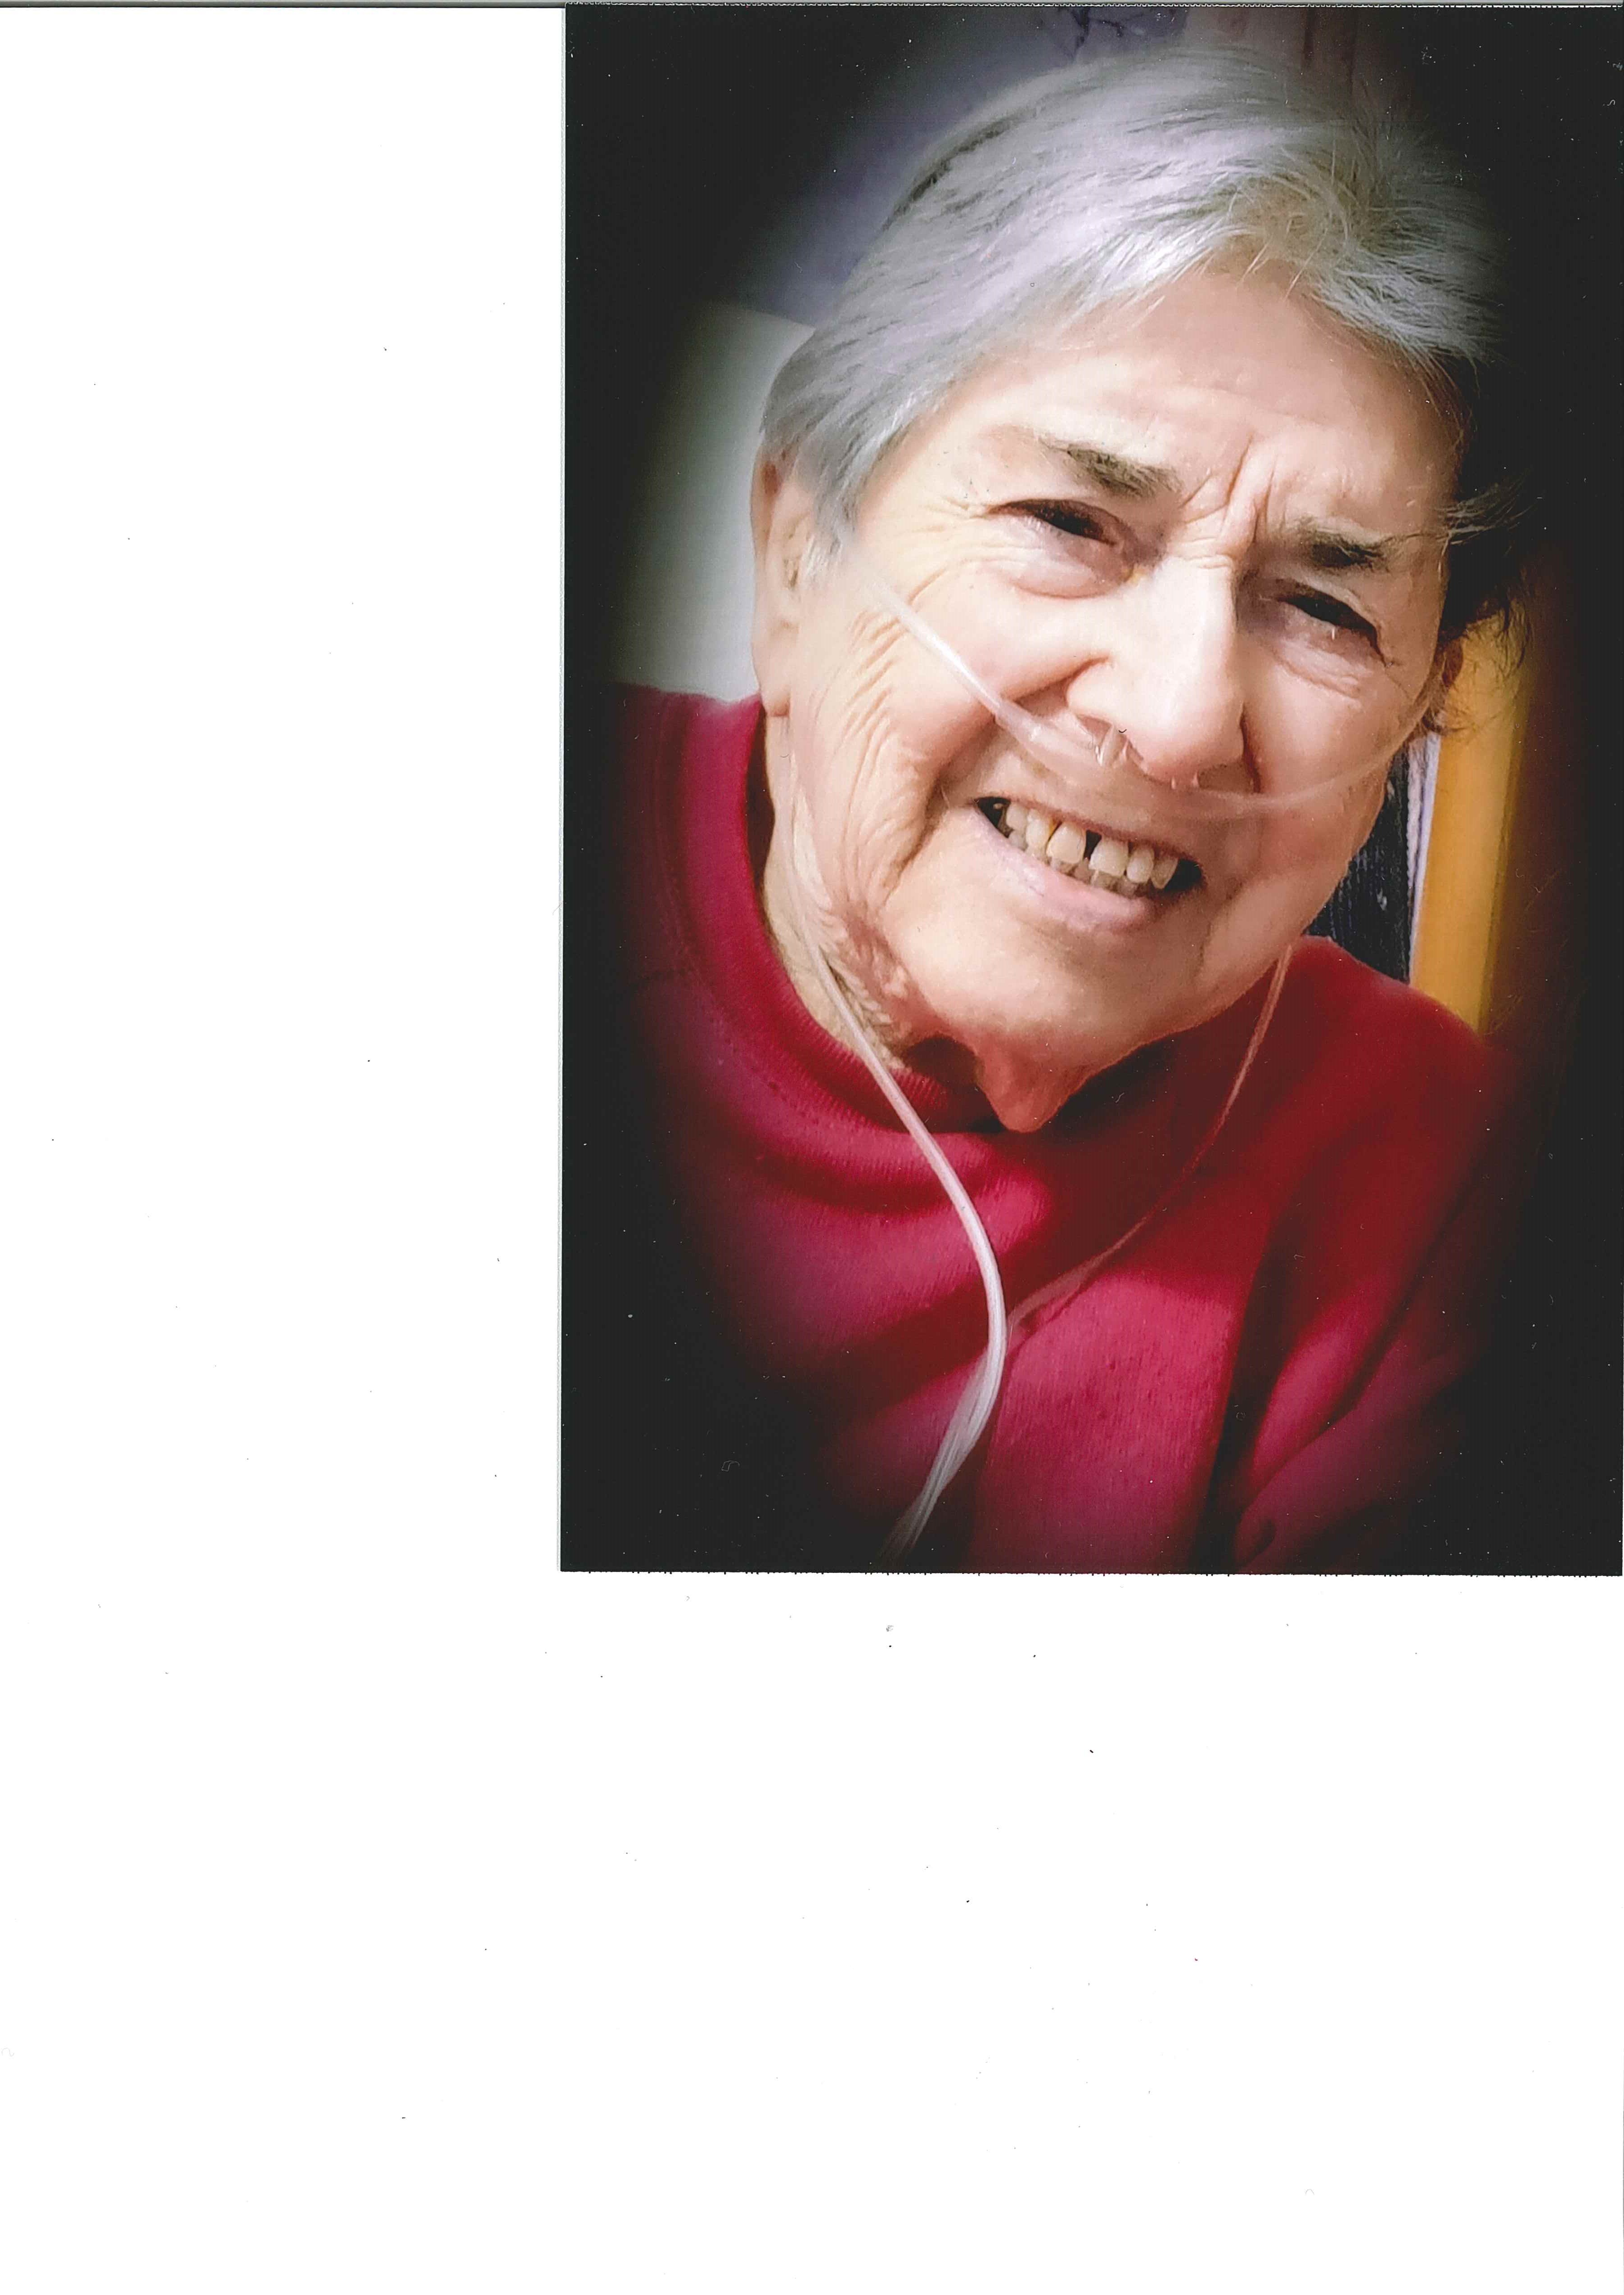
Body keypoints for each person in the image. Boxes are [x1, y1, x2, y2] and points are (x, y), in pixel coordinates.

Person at [611, 44, 1536, 1571]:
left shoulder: (1445, 1186)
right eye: (1070, 520)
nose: (1174, 720)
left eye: (1323, 607)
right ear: (795, 555)